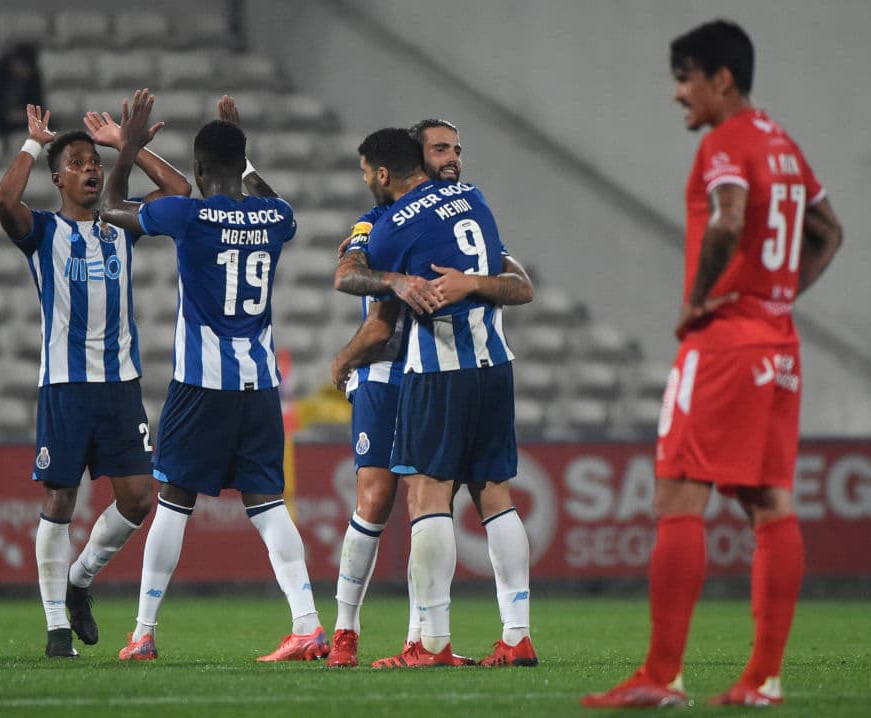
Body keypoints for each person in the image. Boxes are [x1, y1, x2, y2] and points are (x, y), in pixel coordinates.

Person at [581, 20, 842, 708]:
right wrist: (776, 294)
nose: (678, 95)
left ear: (720, 79)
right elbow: (828, 232)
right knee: (770, 503)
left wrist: (702, 300)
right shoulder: (782, 143)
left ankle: (662, 675)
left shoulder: (726, 143)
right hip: (779, 343)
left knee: (676, 494)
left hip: (725, 342)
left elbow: (728, 218)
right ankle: (763, 680)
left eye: (685, 78)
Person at [101, 91, 328, 662]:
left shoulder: (189, 215)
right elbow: (281, 207)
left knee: (174, 499)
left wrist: (127, 151)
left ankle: (144, 633)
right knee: (269, 504)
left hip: (201, 386)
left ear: (199, 171)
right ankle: (306, 624)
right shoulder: (272, 217)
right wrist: (246, 158)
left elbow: (110, 208)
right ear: (241, 164)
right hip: (258, 386)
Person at [326, 119, 538, 669]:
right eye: (442, 148)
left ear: (385, 171)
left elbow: (364, 299)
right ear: (421, 156)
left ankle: (431, 642)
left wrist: (342, 360)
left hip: (437, 369)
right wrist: (471, 283)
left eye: (457, 148)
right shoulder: (473, 200)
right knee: (494, 494)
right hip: (493, 362)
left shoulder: (392, 225)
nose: (453, 157)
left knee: (426, 493)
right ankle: (516, 635)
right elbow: (516, 282)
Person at [0, 96, 192, 658]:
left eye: (94, 163)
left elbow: (179, 195)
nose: (90, 170)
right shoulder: (43, 232)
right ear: (58, 178)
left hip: (120, 385)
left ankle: (79, 581)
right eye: (78, 162)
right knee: (61, 501)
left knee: (138, 500)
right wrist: (34, 143)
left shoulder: (120, 224)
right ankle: (57, 627)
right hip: (64, 387)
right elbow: (4, 200)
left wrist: (128, 147)